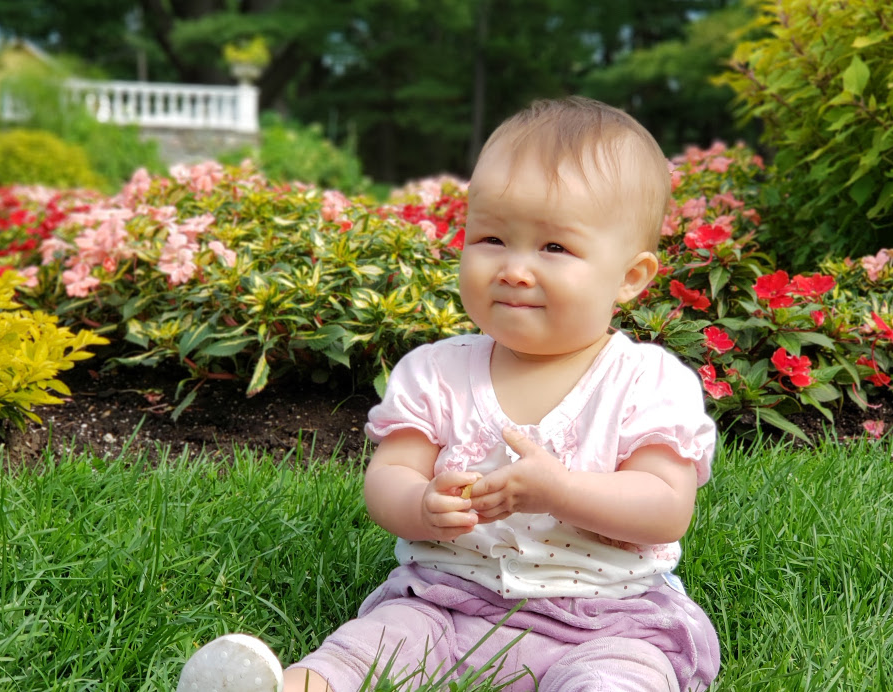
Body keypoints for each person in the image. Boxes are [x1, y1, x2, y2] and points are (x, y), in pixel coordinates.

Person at [177, 96, 720, 692]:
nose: (514, 269)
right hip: (448, 603)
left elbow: (666, 507)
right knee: (376, 645)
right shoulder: (434, 372)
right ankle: (301, 686)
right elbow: (388, 480)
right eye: (490, 238)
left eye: (554, 248)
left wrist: (560, 490)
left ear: (630, 277)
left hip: (607, 619)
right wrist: (421, 503)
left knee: (622, 676)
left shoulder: (646, 380)